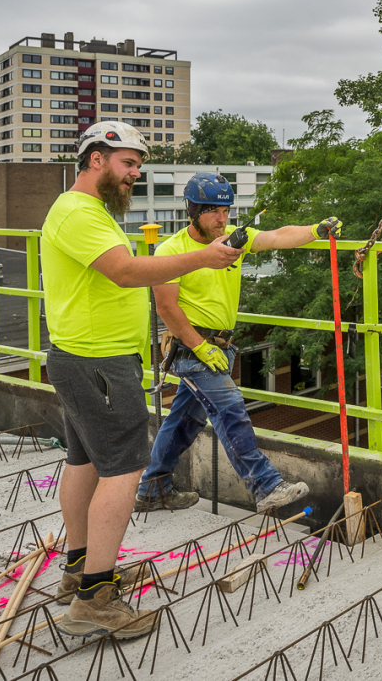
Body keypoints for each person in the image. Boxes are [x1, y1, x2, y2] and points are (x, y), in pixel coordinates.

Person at [41, 123, 244, 639]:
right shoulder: (78, 213)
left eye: (137, 164)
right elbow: (127, 273)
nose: (136, 173)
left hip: (85, 357)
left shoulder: (88, 212)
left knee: (84, 460)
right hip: (99, 361)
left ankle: (79, 572)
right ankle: (95, 601)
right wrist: (202, 257)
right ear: (96, 160)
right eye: (128, 163)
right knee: (124, 470)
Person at [135, 171, 339, 516]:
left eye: (226, 211)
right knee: (230, 409)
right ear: (193, 211)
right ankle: (267, 486)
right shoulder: (172, 250)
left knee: (185, 420)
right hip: (192, 347)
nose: (222, 218)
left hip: (220, 347)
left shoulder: (233, 240)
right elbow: (167, 307)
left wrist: (315, 231)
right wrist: (200, 347)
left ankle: (153, 489)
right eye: (214, 211)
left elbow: (276, 237)